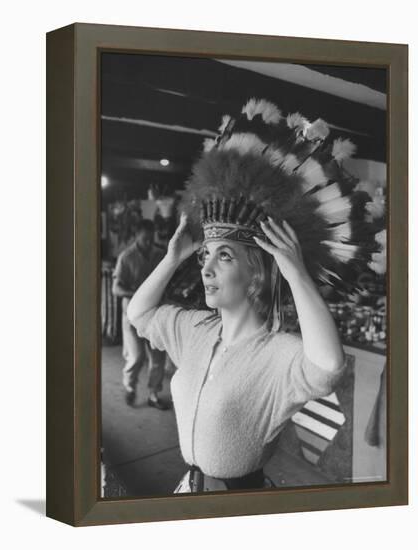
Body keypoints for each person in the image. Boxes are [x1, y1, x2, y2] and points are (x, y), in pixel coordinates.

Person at [127, 98, 382, 492]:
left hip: (237, 503)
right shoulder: (194, 329)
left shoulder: (277, 353)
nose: (206, 268)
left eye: (224, 257)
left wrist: (294, 269)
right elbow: (139, 315)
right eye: (206, 256)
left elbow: (328, 367)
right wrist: (173, 258)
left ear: (255, 275)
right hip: (186, 492)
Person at [112, 218, 172, 410]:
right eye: (144, 238)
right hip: (132, 314)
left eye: (150, 238)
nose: (148, 242)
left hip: (154, 315)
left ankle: (153, 394)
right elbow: (116, 288)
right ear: (136, 236)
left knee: (158, 357)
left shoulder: (160, 254)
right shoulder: (126, 257)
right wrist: (138, 295)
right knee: (136, 356)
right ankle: (130, 387)